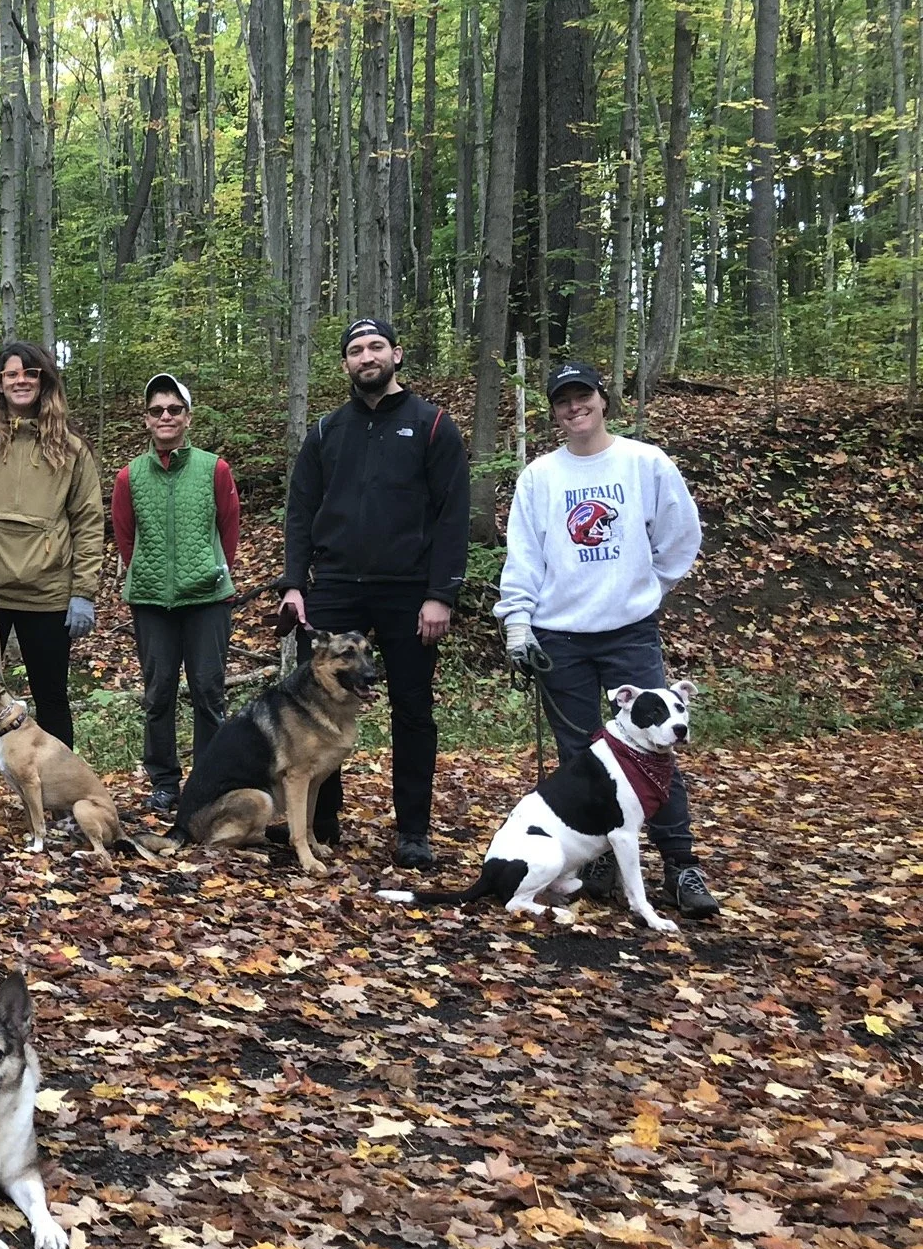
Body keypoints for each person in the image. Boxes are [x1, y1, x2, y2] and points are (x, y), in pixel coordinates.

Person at [492, 360, 716, 917]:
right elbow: (524, 555)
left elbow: (680, 535)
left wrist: (646, 587)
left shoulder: (645, 463)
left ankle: (681, 866)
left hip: (628, 632)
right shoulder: (540, 477)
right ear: (555, 412)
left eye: (583, 396)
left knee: (656, 751)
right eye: (563, 401)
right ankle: (596, 856)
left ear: (603, 399)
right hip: (560, 636)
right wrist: (517, 621)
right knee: (581, 756)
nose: (575, 408)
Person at [277, 317, 469, 870]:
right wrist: (294, 583)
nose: (367, 356)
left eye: (376, 347)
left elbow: (453, 515)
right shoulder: (324, 432)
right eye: (356, 350)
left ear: (397, 355)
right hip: (335, 587)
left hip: (409, 591)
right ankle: (321, 823)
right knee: (318, 710)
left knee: (412, 709)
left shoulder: (432, 426)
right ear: (345, 364)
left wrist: (442, 594)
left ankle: (413, 831)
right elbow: (300, 512)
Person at [0, 339, 106, 829]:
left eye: (30, 374)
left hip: (49, 592)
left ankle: (61, 799)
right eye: (11, 373)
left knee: (52, 695)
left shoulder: (72, 447)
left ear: (44, 381)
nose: (20, 381)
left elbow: (89, 521)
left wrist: (84, 591)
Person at [112, 373, 241, 815]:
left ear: (187, 417)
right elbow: (126, 537)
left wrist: (214, 570)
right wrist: (146, 571)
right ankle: (164, 781)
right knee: (158, 692)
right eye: (156, 410)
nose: (165, 416)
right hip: (151, 602)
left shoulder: (214, 468)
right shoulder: (129, 475)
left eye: (173, 409)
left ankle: (207, 781)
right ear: (146, 420)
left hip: (207, 599)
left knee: (208, 690)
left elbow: (229, 526)